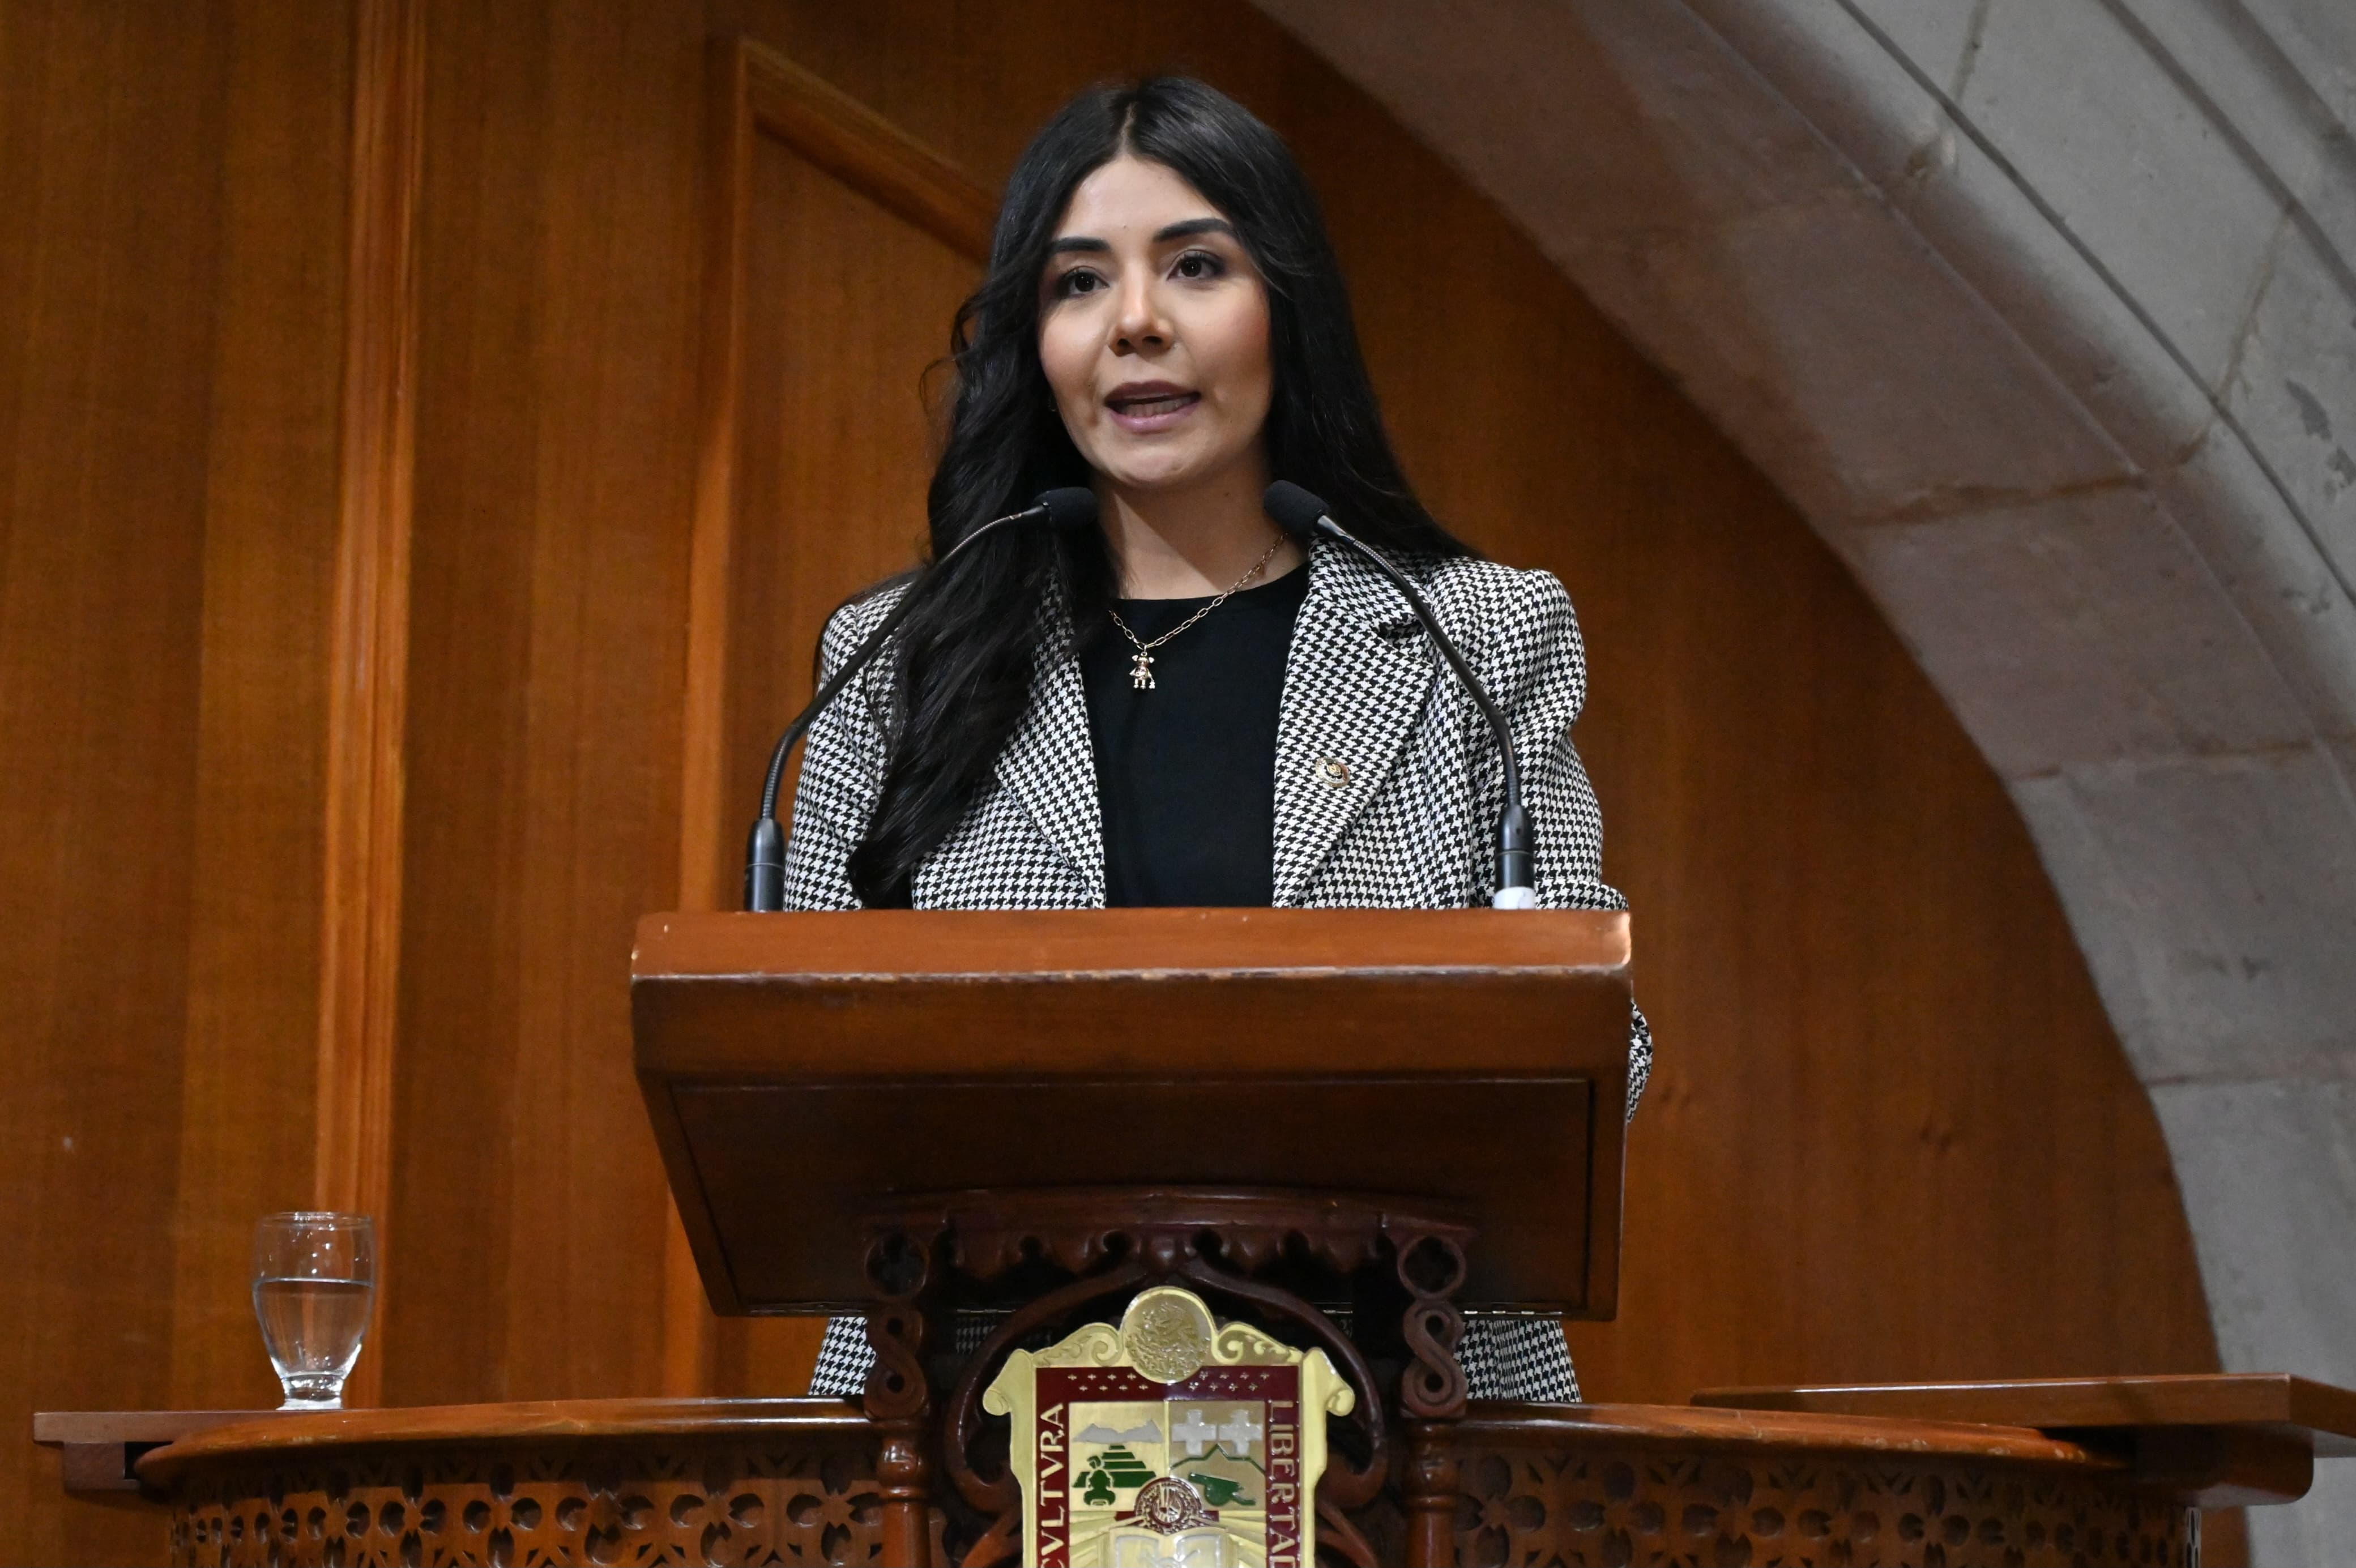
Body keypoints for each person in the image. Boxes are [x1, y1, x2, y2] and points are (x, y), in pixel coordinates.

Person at [787, 76, 1650, 1404]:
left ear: (1286, 308)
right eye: (1079, 282)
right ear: (1035, 338)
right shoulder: (894, 657)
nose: (1136, 321)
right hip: (962, 1413)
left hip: (1403, 1412)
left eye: (1195, 266)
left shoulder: (1472, 636)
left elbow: (1599, 1048)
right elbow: (790, 1059)